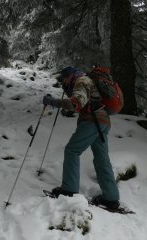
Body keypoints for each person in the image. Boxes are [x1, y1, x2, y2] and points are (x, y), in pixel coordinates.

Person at [42, 66, 120, 209]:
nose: (63, 81)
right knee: (102, 158)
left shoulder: (82, 81)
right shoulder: (87, 81)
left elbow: (75, 104)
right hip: (103, 121)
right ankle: (111, 198)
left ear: (70, 76)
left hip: (93, 121)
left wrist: (52, 101)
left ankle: (69, 190)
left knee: (72, 150)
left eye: (63, 78)